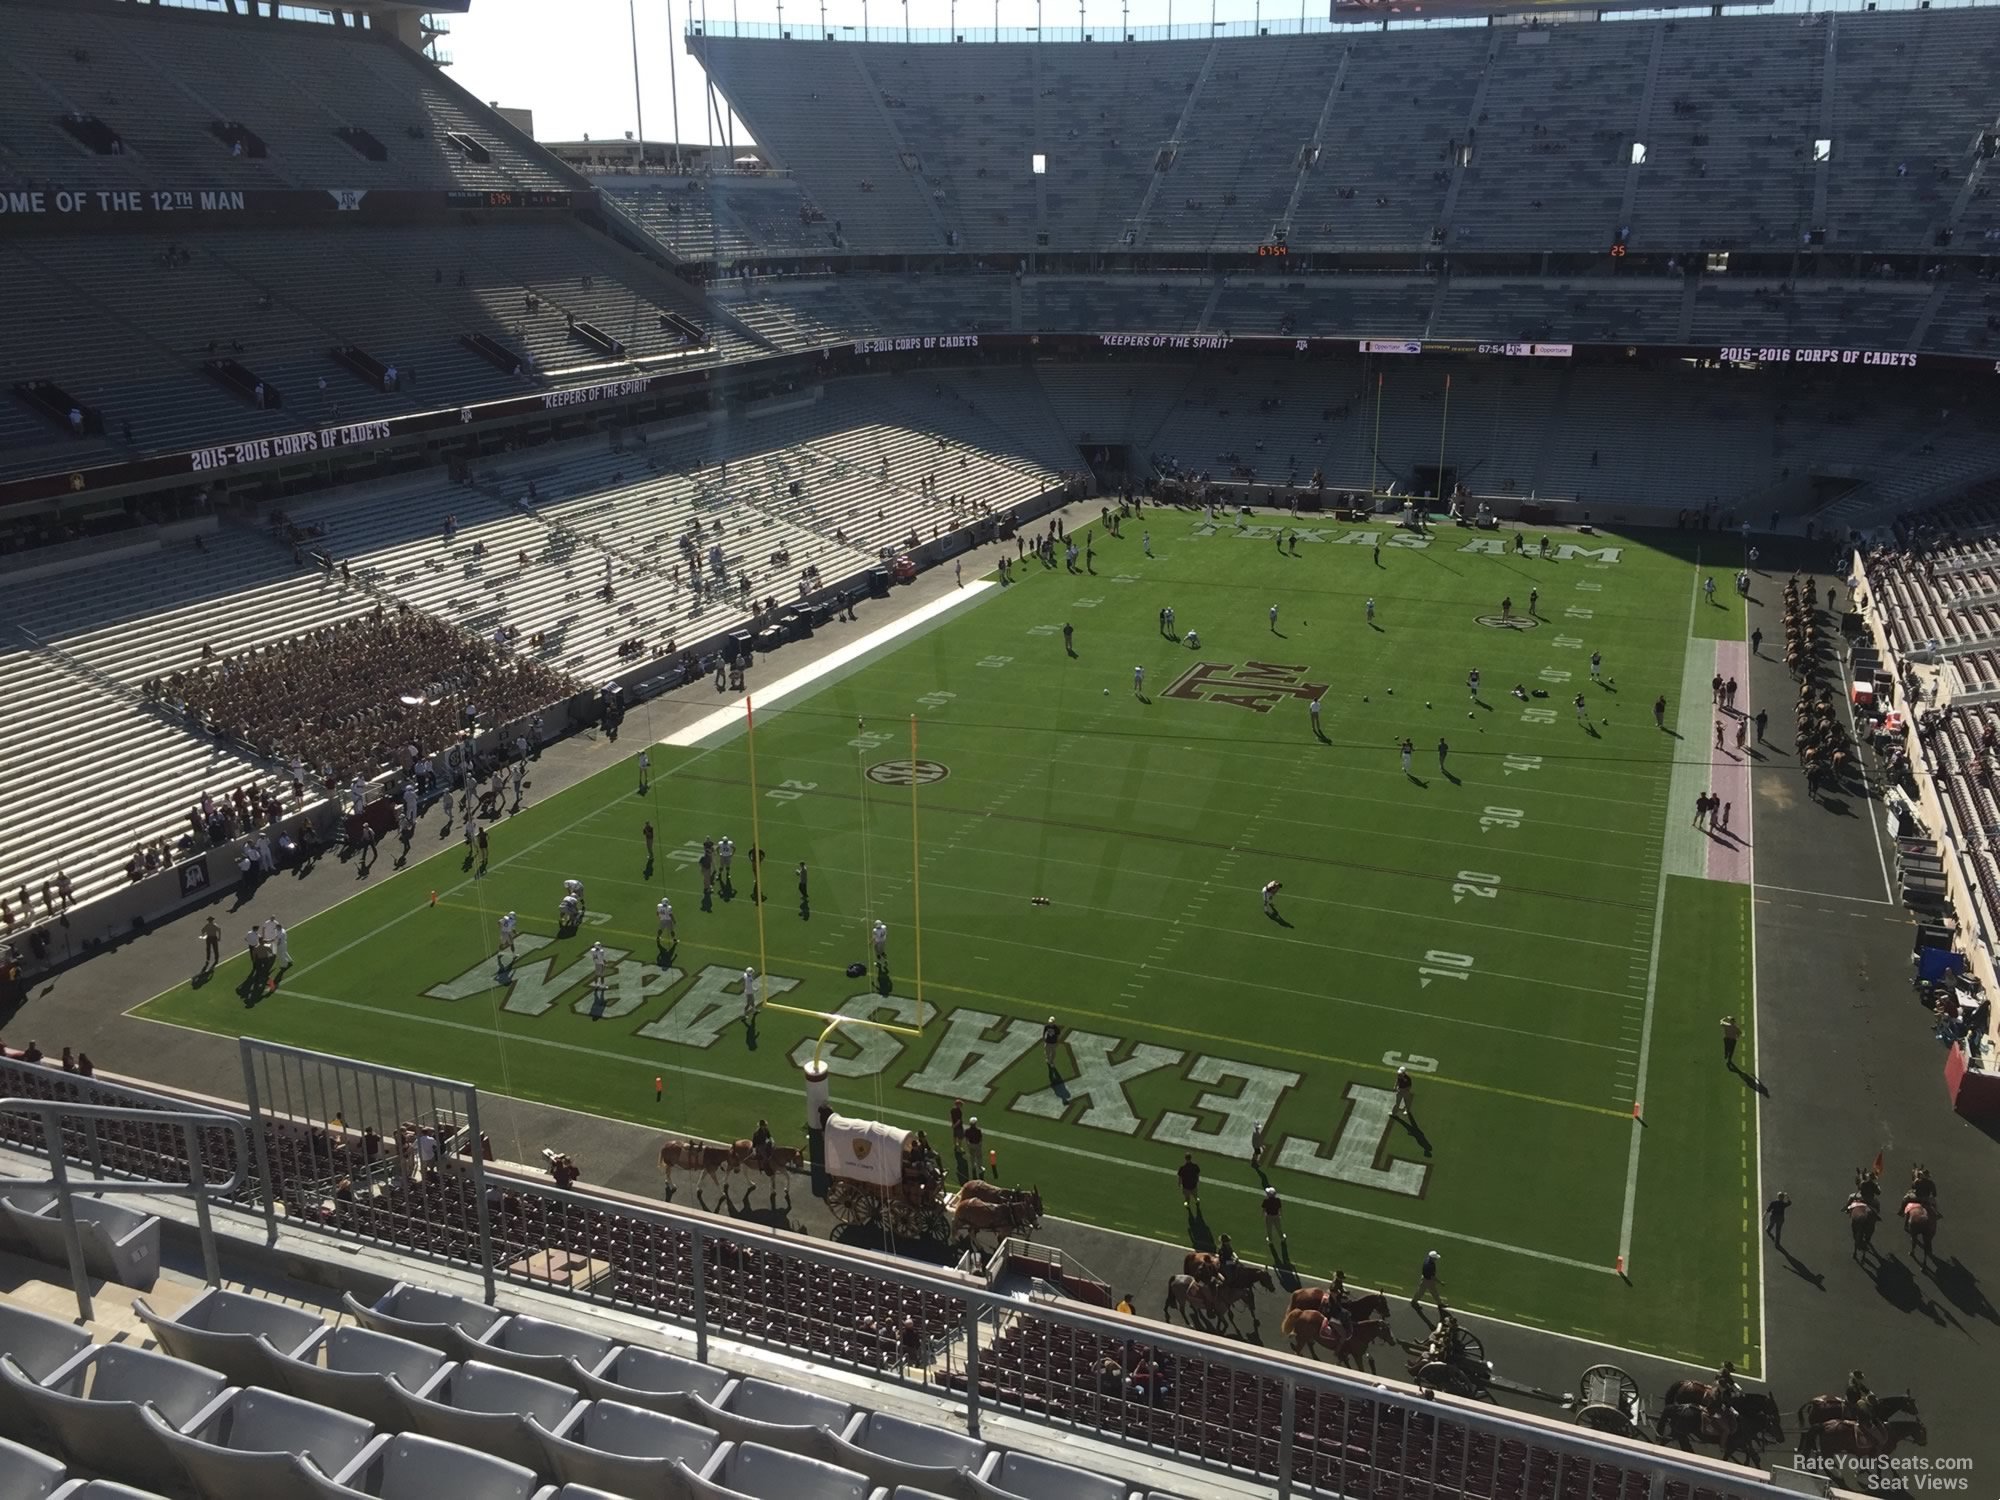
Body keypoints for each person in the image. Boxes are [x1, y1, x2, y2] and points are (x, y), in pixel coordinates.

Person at [1413, 1248, 1445, 1313]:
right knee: (1422, 1292)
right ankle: (1414, 1301)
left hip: (1426, 1278)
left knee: (1430, 1292)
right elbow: (1432, 1277)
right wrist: (1440, 1282)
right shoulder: (1430, 1266)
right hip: (1427, 1280)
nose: (1436, 1259)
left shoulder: (1428, 1261)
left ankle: (1440, 1303)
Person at [590, 941, 609, 1005]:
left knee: (596, 975)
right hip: (601, 964)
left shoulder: (592, 950)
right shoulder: (601, 951)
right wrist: (605, 963)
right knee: (602, 975)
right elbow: (602, 958)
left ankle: (596, 985)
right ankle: (602, 985)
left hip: (596, 963)